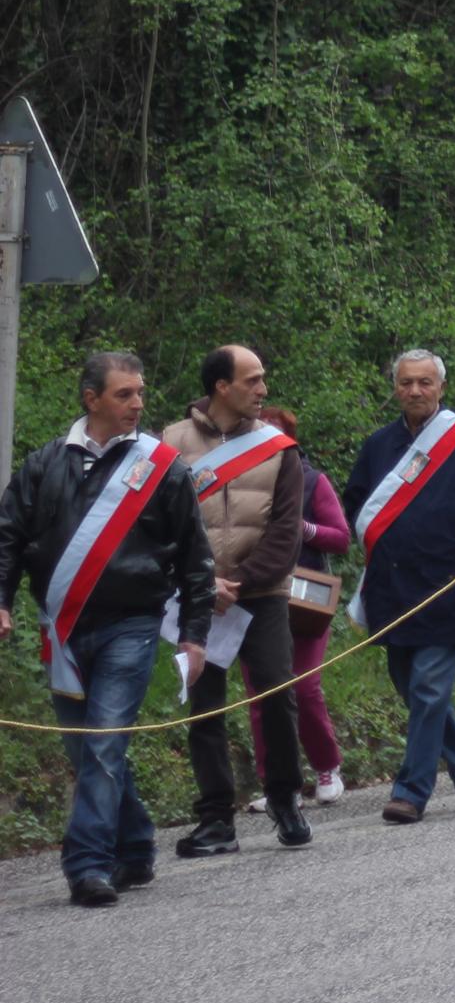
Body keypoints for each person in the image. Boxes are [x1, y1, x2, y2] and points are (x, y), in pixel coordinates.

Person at [0, 352, 214, 905]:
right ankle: (137, 844)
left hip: (132, 625)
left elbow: (196, 557)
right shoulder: (44, 464)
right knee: (86, 748)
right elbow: (7, 538)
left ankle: (87, 865)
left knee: (103, 742)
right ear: (90, 399)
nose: (138, 404)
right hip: (63, 630)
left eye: (140, 393)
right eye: (124, 395)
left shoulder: (163, 467)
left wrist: (193, 633)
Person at [341, 350, 455, 823]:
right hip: (391, 591)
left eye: (425, 383)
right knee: (412, 686)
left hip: (448, 589)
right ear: (395, 388)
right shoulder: (377, 446)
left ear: (441, 387)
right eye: (406, 383)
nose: (415, 392)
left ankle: (411, 791)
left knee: (427, 688)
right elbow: (356, 508)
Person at [161, 344, 310, 854]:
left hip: (261, 594)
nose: (262, 390)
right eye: (252, 380)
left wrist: (240, 583)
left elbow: (286, 532)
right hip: (196, 595)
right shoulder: (170, 444)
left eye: (262, 379)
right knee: (204, 705)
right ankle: (215, 818)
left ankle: (285, 798)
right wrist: (201, 584)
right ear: (221, 386)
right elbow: (162, 526)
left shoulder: (280, 448)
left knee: (275, 691)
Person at [246, 406, 347, 808]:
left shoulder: (311, 481)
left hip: (305, 599)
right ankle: (276, 784)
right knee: (260, 694)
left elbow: (340, 537)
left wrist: (305, 529)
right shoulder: (238, 482)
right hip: (254, 595)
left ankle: (327, 767)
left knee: (304, 688)